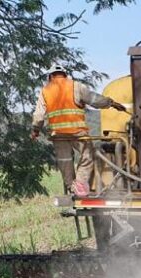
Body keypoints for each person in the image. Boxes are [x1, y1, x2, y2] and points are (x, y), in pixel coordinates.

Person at [31, 63, 127, 196]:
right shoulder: (75, 86)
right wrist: (112, 103)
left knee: (65, 161)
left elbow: (39, 115)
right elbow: (94, 99)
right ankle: (80, 184)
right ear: (65, 74)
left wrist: (35, 130)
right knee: (88, 155)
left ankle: (72, 188)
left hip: (58, 134)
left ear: (50, 76)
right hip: (77, 133)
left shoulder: (45, 91)